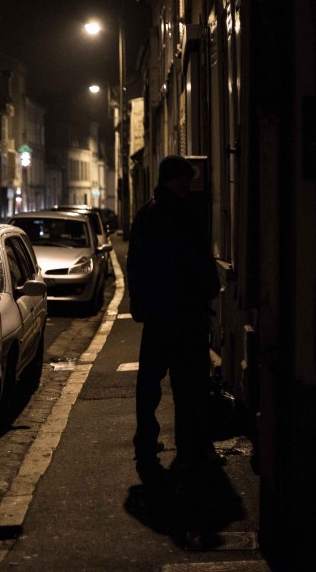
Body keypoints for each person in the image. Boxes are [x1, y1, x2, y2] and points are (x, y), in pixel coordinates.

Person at [127, 154, 221, 478]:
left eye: (188, 179)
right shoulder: (182, 214)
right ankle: (190, 450)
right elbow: (197, 260)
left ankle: (147, 441)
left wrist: (139, 303)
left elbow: (136, 264)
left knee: (151, 382)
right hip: (183, 313)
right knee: (187, 384)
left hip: (159, 312)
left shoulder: (147, 214)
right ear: (170, 179)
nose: (187, 184)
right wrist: (208, 288)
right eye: (182, 179)